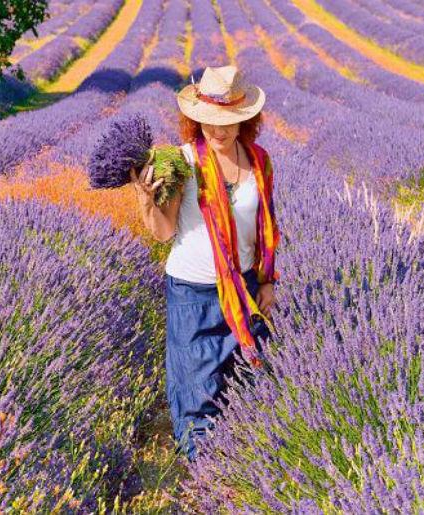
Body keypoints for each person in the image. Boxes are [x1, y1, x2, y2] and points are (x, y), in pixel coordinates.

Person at [130, 65, 281, 462]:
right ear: (195, 120)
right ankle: (201, 479)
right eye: (211, 122)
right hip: (192, 294)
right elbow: (163, 232)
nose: (219, 131)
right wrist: (147, 199)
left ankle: (239, 473)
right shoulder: (181, 162)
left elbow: (266, 227)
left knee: (245, 385)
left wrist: (267, 282)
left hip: (245, 291)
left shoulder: (259, 162)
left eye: (229, 121)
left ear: (245, 119)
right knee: (197, 392)